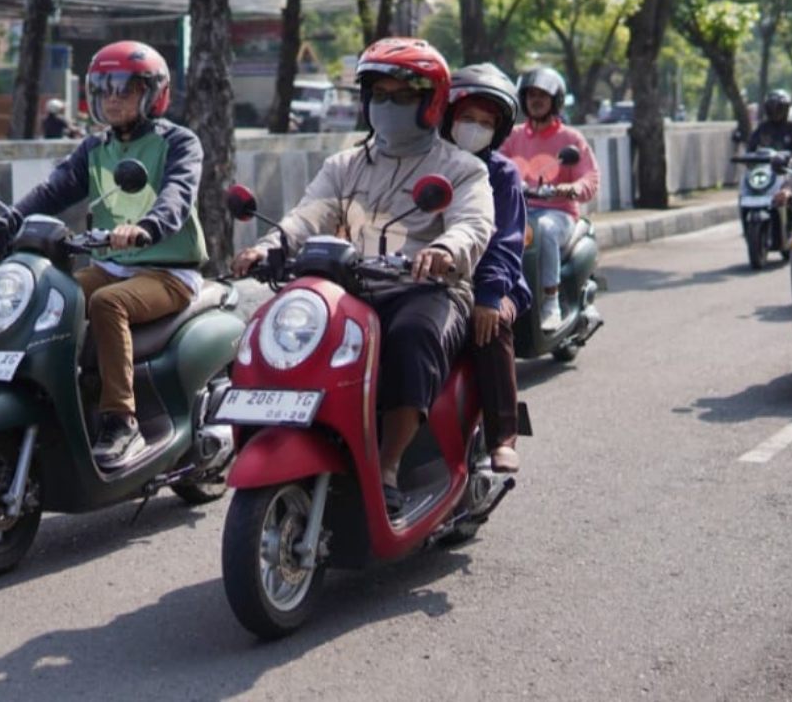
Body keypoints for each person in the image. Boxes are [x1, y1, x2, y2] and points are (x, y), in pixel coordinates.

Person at [232, 37, 493, 517]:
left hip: (426, 289)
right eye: (380, 95)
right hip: (353, 287)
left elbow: (472, 226)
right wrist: (268, 247)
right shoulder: (345, 165)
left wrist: (442, 249)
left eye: (403, 96)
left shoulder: (461, 169)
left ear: (431, 103)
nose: (388, 107)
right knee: (282, 328)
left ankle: (389, 466)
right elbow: (307, 216)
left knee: (412, 337)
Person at [0, 41, 207, 468]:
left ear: (154, 93)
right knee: (46, 294)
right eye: (105, 89)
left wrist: (147, 228)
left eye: (125, 88)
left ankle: (121, 420)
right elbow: (52, 191)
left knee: (106, 303)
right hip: (112, 265)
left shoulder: (179, 143)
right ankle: (50, 397)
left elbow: (178, 195)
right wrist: (2, 227)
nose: (113, 98)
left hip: (168, 272)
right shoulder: (94, 149)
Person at [441, 63, 531, 473]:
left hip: (497, 279)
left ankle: (502, 435)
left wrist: (491, 294)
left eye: (484, 123)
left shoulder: (502, 174)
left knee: (490, 328)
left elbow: (506, 241)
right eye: (466, 119)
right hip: (435, 279)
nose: (474, 128)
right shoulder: (427, 161)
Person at [501, 67, 600, 333]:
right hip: (519, 212)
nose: (536, 100)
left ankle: (550, 302)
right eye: (531, 94)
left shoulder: (570, 139)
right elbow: (494, 165)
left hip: (559, 214)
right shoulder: (513, 137)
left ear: (555, 100)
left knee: (543, 230)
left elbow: (589, 178)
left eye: (543, 95)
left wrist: (567, 189)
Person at [748, 89, 792, 153]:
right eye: (771, 108)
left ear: (786, 109)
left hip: (788, 162)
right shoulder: (763, 128)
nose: (774, 112)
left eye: (779, 108)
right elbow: (751, 148)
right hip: (765, 162)